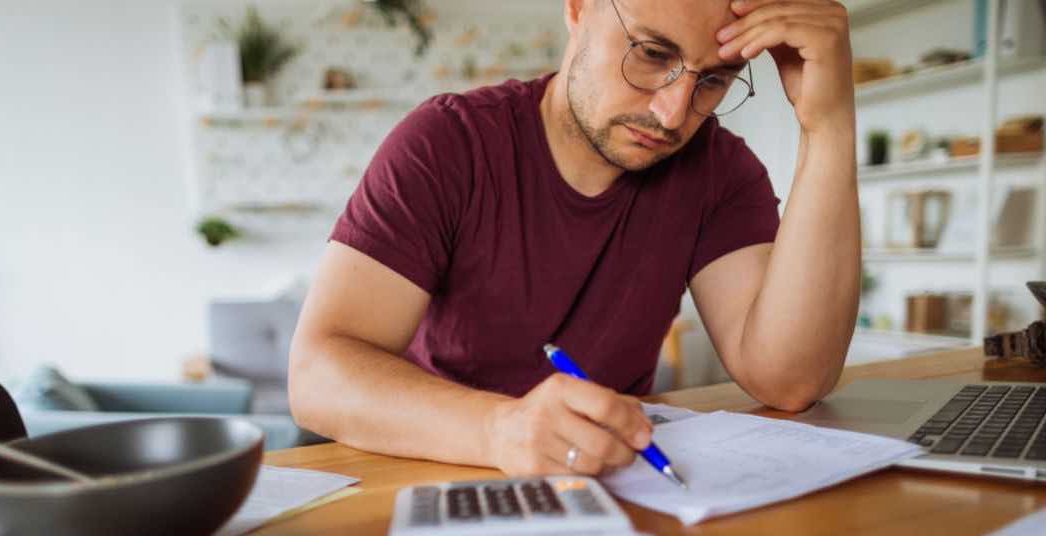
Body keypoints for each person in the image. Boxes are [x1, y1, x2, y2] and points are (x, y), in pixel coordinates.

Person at [289, 0, 859, 476]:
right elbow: (317, 374)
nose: (671, 113)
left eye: (712, 80)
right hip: (437, 473)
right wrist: (501, 431)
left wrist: (827, 125)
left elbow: (790, 380)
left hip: (609, 481)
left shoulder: (719, 171)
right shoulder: (446, 144)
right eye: (652, 54)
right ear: (579, 8)